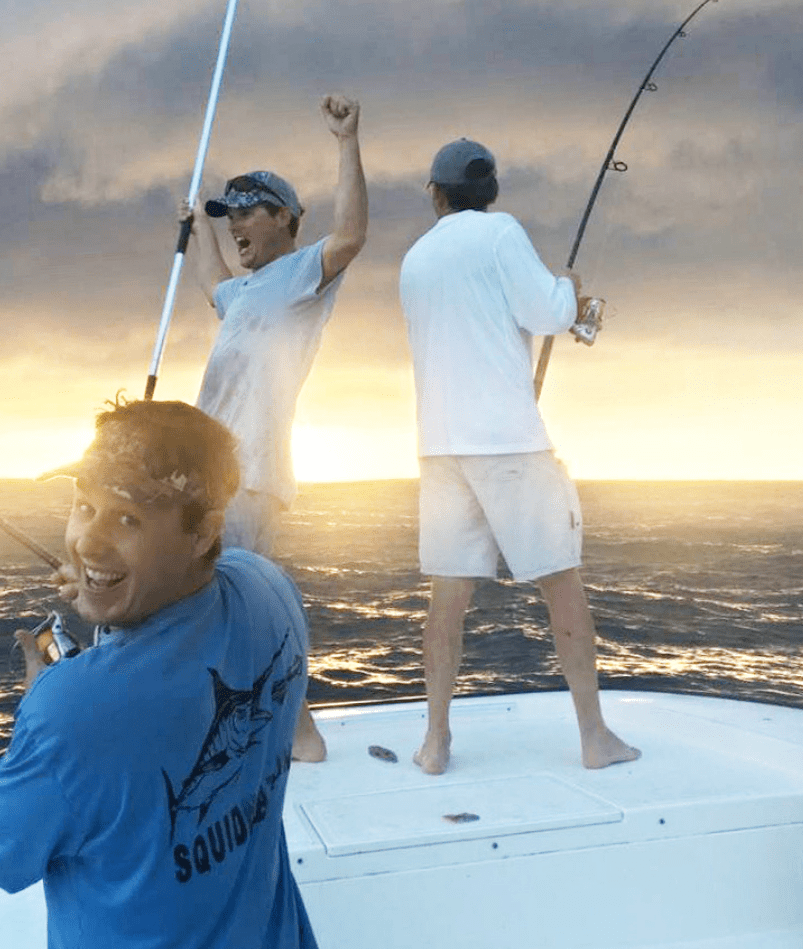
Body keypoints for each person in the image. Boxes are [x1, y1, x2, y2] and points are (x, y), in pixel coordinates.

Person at [0, 398, 325, 949]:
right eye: (84, 507)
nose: (88, 542)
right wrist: (111, 596)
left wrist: (40, 703)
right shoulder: (269, 586)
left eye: (128, 519)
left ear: (203, 532)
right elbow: (185, 631)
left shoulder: (74, 709)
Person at [399, 137, 641, 775]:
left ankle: (435, 742)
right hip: (508, 441)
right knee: (560, 581)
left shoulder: (415, 259)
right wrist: (569, 289)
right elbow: (547, 310)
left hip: (439, 447)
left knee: (447, 597)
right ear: (491, 190)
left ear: (436, 193)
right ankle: (595, 737)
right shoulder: (502, 231)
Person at [180, 93, 369, 763]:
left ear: (284, 216)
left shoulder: (299, 275)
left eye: (244, 212)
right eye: (228, 216)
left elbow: (350, 236)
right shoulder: (244, 294)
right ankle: (285, 728)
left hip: (251, 474)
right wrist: (197, 217)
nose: (234, 224)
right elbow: (209, 277)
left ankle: (298, 731)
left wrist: (347, 141)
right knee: (218, 607)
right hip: (209, 477)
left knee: (242, 608)